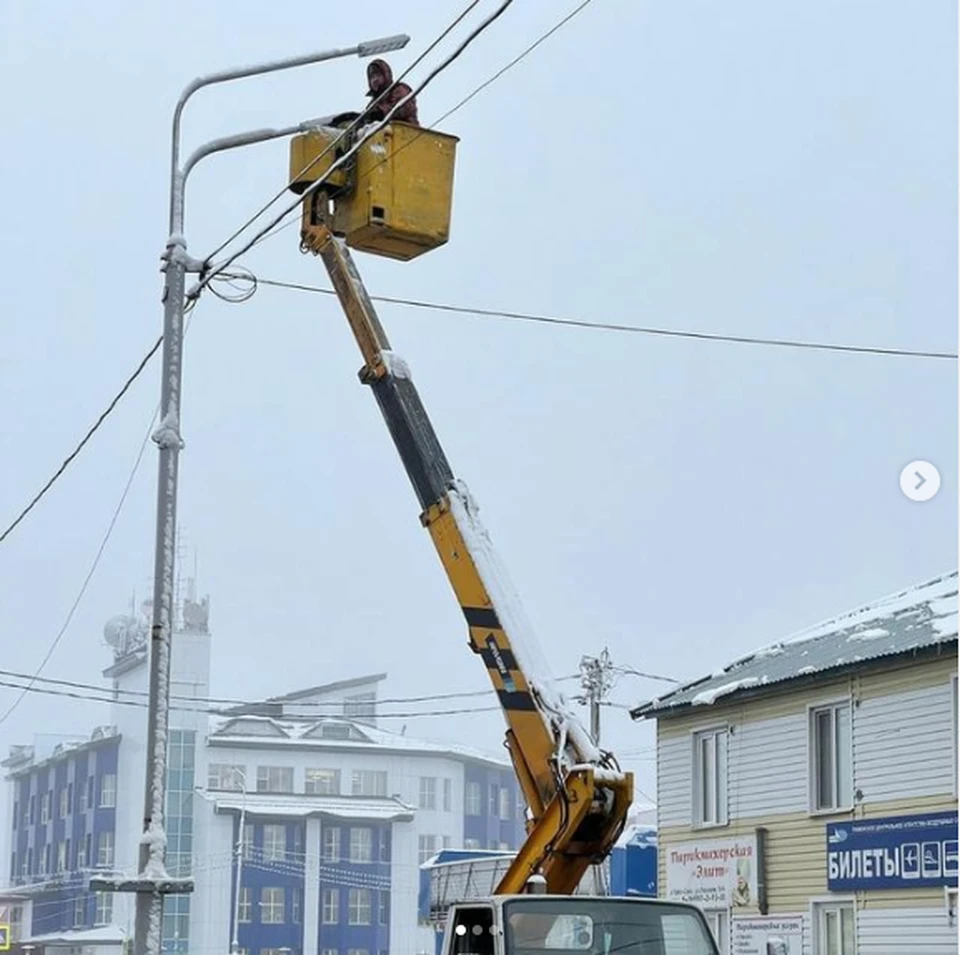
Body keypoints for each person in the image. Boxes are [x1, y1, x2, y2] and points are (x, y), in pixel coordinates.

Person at [363, 58, 419, 126]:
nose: (375, 80)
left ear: (386, 75)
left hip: (406, 130)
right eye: (372, 77)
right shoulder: (372, 104)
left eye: (378, 75)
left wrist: (381, 113)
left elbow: (404, 108)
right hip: (383, 134)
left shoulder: (399, 89)